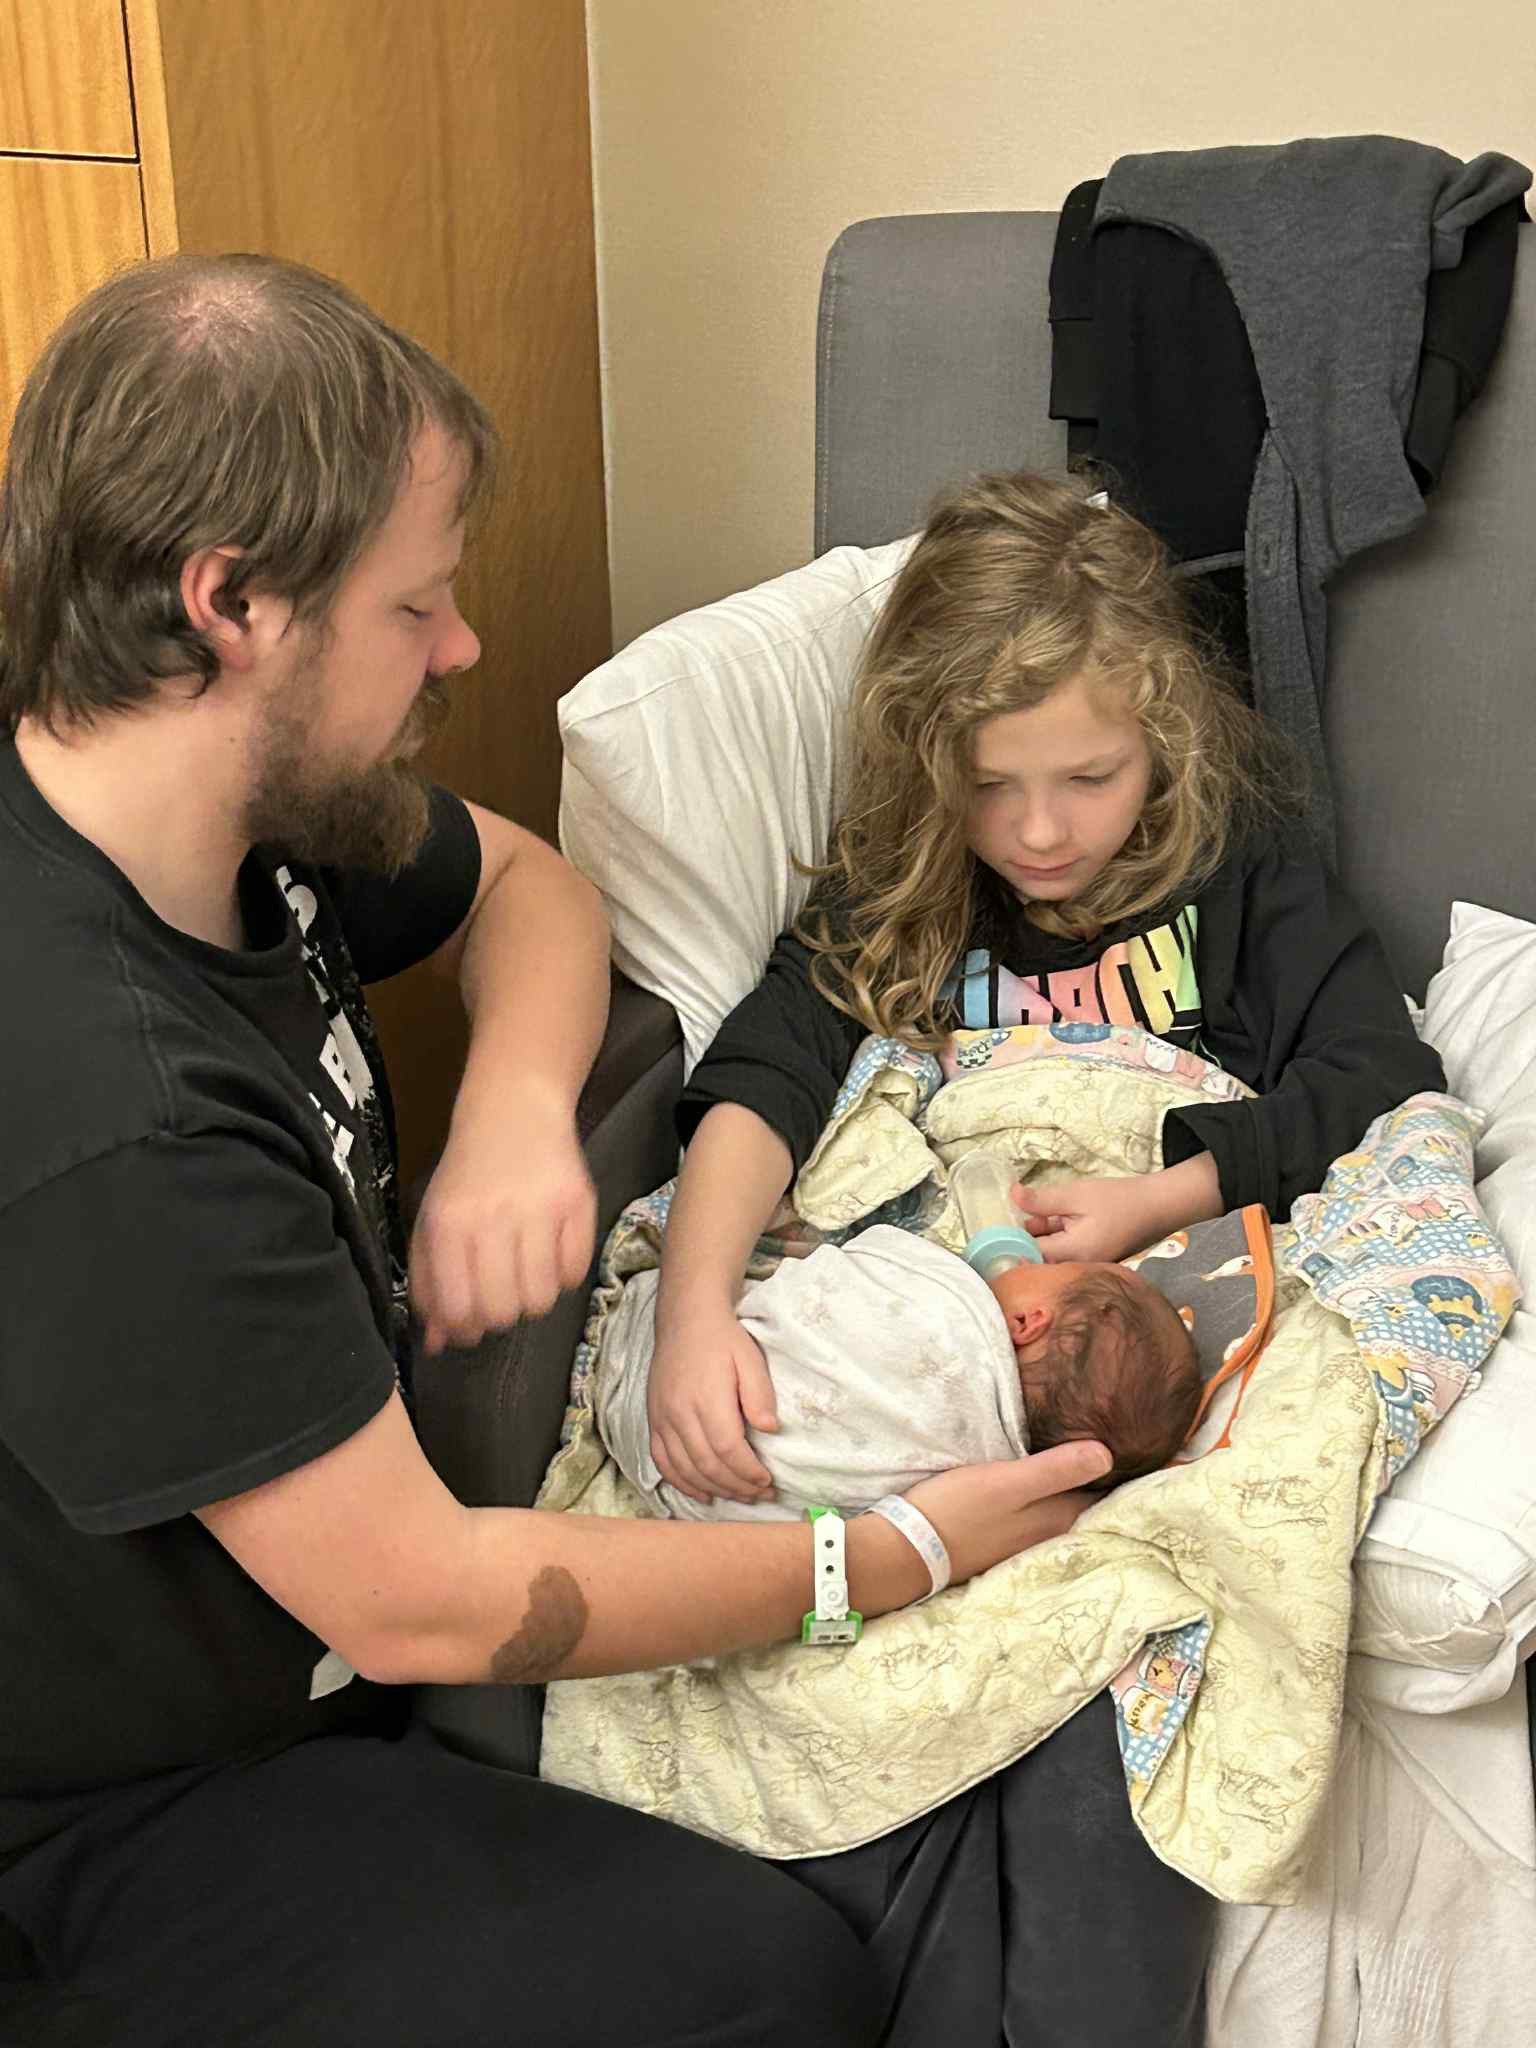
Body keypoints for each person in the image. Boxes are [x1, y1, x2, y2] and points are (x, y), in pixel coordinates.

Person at [0, 261, 1114, 2048]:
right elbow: (427, 1602)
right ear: (231, 605)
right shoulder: (113, 1108)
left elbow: (530, 884)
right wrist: (895, 1548)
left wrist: (515, 1112)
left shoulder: (238, 812)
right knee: (779, 1985)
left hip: (332, 1600)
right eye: (414, 604)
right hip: (121, 1816)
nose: (460, 649)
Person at [647, 468, 1447, 2041]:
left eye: (1087, 778)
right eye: (989, 786)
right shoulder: (912, 893)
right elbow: (764, 1080)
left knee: (1104, 1729)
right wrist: (692, 1312)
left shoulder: (1239, 882)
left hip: (1132, 1379)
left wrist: (1162, 1199)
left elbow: (1377, 1078)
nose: (1036, 832)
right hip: (935, 1377)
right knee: (853, 1726)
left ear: (1169, 735)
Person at [599, 1225, 1200, 1524]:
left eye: (1057, 1268)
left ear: (1026, 1321)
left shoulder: (950, 1298)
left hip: (665, 1364)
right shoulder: (992, 1478)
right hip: (677, 1485)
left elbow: (863, 1256)